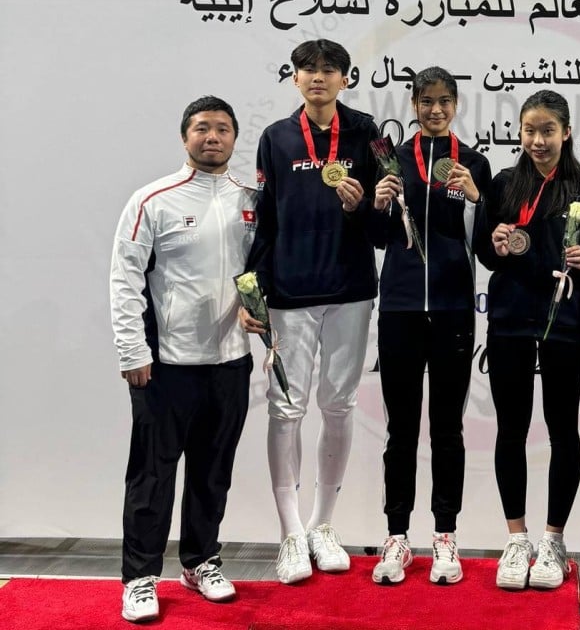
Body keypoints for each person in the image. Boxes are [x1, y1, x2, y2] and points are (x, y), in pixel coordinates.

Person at [240, 39, 380, 584]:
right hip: (289, 294)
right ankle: (291, 532)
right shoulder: (276, 138)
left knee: (339, 406)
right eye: (307, 69)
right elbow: (264, 220)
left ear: (346, 78)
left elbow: (386, 223)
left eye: (329, 69)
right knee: (285, 409)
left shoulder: (367, 132)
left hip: (350, 289)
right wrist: (253, 292)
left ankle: (323, 525)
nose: (317, 77)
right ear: (294, 78)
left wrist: (362, 206)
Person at [110, 96, 255, 622]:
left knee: (213, 473)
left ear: (235, 137)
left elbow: (260, 271)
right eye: (201, 128)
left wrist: (262, 317)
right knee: (152, 475)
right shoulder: (152, 200)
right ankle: (140, 577)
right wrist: (133, 350)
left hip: (231, 361)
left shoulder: (252, 199)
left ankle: (200, 561)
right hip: (165, 365)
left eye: (222, 129)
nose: (212, 137)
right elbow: (124, 279)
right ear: (184, 137)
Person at [477, 89, 580, 590]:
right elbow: (485, 253)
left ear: (566, 133)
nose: (537, 140)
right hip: (509, 319)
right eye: (529, 130)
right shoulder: (504, 184)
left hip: (563, 323)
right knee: (510, 430)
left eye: (547, 130)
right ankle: (517, 538)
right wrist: (495, 244)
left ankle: (553, 539)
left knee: (562, 430)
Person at [369, 67, 492, 585]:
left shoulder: (474, 163)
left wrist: (476, 199)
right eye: (426, 100)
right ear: (413, 104)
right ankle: (396, 537)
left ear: (456, 105)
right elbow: (378, 237)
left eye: (444, 101)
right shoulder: (391, 159)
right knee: (400, 429)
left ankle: (445, 535)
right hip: (399, 308)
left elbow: (485, 245)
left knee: (447, 428)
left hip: (452, 309)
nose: (435, 109)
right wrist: (377, 204)